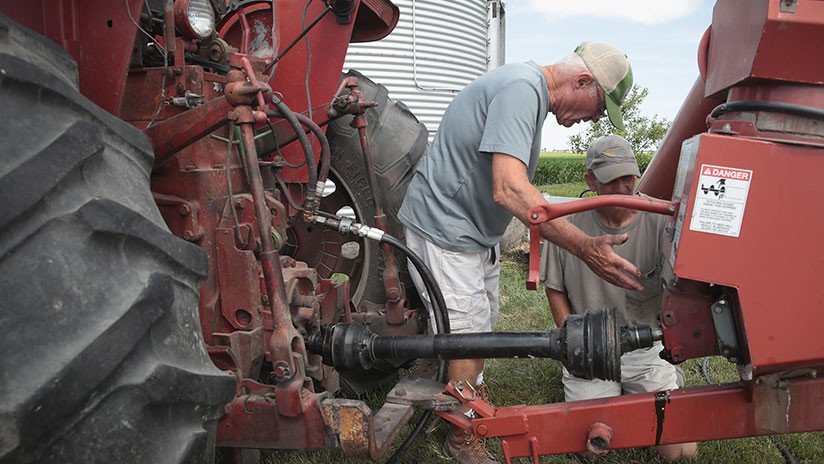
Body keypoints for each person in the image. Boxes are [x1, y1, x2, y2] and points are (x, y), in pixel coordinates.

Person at [398, 42, 640, 464]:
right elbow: (509, 188)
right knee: (468, 340)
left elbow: (517, 188)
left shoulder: (527, 90)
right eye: (597, 107)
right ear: (582, 82)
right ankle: (461, 439)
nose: (593, 119)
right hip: (446, 231)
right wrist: (584, 246)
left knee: (480, 328)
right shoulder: (521, 90)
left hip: (470, 235)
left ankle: (458, 401)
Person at [541, 134, 698, 461]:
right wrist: (574, 343)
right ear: (590, 181)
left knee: (681, 451)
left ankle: (663, 379)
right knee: (590, 448)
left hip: (646, 347)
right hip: (592, 350)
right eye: (613, 180)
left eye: (629, 177)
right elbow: (555, 289)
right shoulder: (567, 227)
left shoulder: (661, 220)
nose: (624, 187)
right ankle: (597, 390)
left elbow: (684, 288)